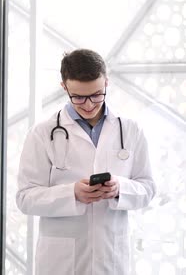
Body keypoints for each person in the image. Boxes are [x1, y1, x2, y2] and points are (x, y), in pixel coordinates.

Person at [16, 48, 156, 275]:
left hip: (111, 255)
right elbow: (25, 198)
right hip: (61, 261)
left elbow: (148, 189)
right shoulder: (42, 133)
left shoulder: (130, 130)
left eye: (97, 94)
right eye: (79, 97)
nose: (89, 104)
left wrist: (120, 188)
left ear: (107, 83)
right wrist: (72, 193)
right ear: (64, 87)